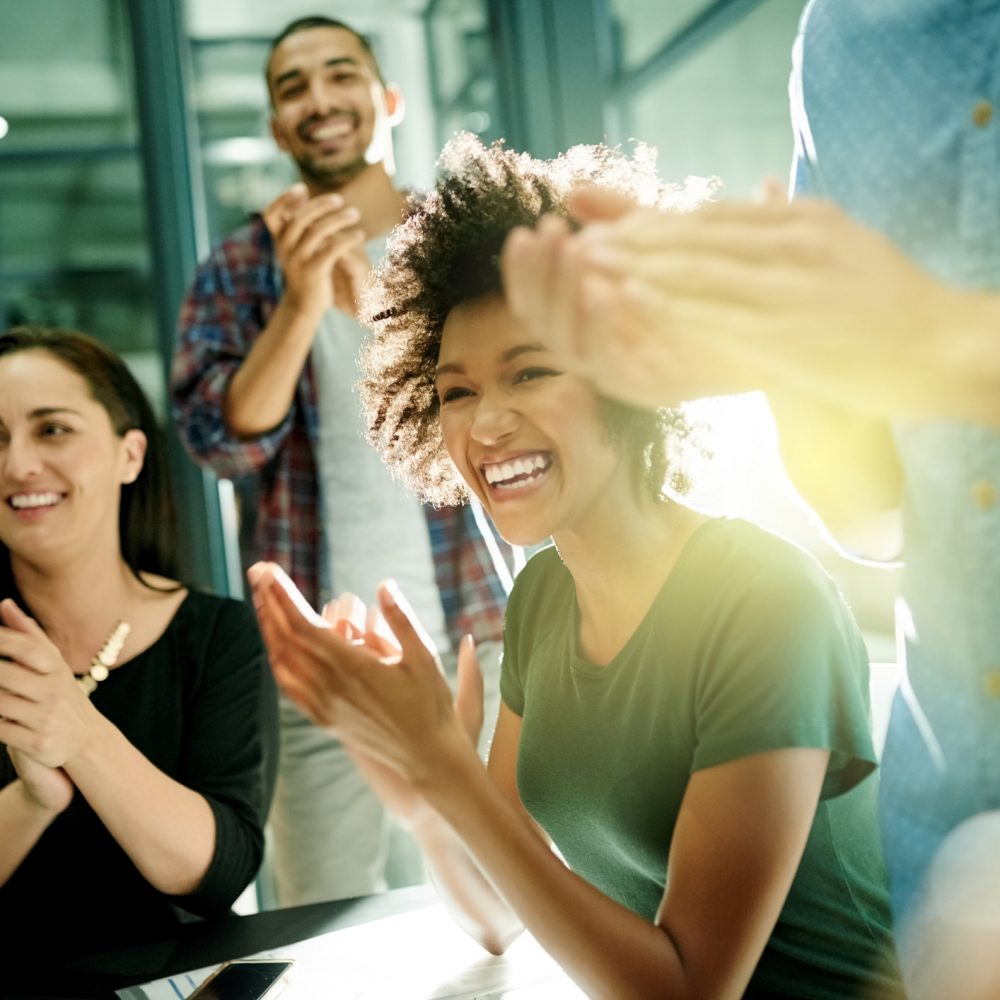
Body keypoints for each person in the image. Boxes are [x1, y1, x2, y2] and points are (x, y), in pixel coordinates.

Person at [248, 134, 904, 999]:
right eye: (456, 391)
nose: (485, 427)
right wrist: (419, 791)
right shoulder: (544, 598)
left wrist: (448, 765)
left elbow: (690, 988)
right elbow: (497, 914)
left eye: (530, 372)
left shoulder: (765, 603)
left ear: (625, 373)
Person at [498, 3, 1000, 994]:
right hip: (952, 839)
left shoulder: (754, 603)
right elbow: (876, 513)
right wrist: (763, 355)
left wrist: (934, 346)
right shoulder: (846, 41)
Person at [170, 16, 511, 905]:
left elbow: (505, 408)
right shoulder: (240, 267)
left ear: (386, 99)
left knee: (507, 893)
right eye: (293, 88)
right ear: (279, 128)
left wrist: (366, 296)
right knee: (324, 910)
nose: (319, 99)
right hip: (320, 659)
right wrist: (297, 301)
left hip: (481, 633)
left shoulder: (459, 241)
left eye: (339, 75)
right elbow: (221, 440)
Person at [0, 326, 278, 972]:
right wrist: (33, 799)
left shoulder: (217, 636)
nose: (18, 465)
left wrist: (82, 736)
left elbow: (218, 877)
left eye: (53, 430)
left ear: (129, 455)